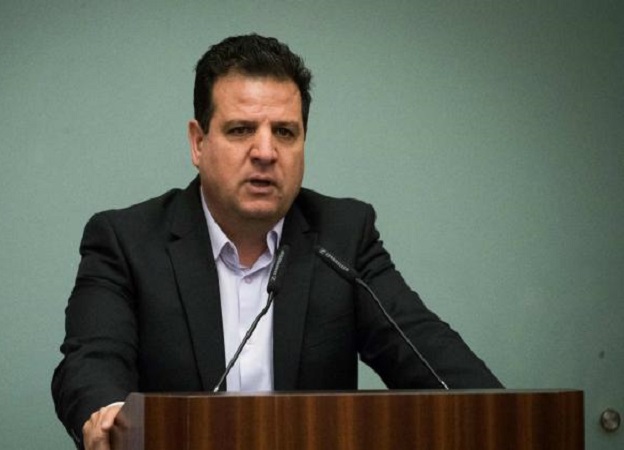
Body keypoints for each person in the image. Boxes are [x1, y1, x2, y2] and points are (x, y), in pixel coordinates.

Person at [52, 34, 503, 450]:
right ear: (198, 143)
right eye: (241, 130)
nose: (266, 152)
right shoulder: (127, 241)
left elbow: (423, 349)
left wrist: (500, 417)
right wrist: (108, 415)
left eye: (285, 132)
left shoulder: (342, 237)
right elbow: (92, 360)